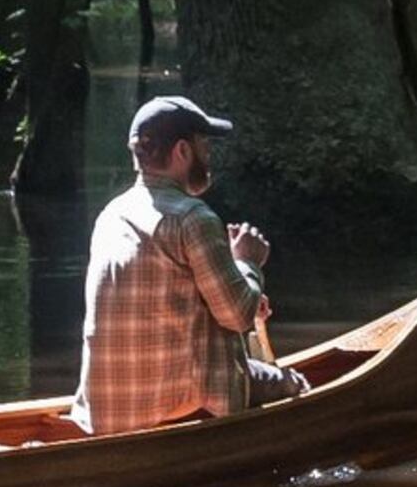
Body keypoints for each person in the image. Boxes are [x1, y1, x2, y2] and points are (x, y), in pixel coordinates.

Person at [70, 96, 303, 436]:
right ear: (182, 151)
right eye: (204, 146)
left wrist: (238, 278)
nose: (208, 157)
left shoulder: (111, 215)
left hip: (109, 414)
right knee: (295, 384)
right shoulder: (192, 218)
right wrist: (248, 263)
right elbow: (237, 316)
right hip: (177, 405)